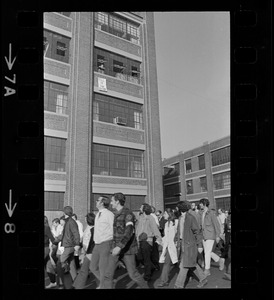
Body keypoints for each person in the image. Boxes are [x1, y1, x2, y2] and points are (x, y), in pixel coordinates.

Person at [104, 193, 148, 289]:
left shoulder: (128, 214)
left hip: (127, 250)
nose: (111, 203)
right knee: (107, 275)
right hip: (115, 249)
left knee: (133, 274)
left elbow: (129, 231)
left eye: (112, 201)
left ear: (117, 201)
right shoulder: (114, 214)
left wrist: (119, 246)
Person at [173, 201, 208, 289]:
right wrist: (176, 239)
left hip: (189, 245)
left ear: (181, 208)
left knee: (184, 266)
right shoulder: (181, 217)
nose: (176, 209)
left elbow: (197, 232)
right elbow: (179, 231)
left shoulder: (190, 218)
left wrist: (200, 245)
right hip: (182, 244)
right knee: (192, 264)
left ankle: (178, 286)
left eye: (177, 207)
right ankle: (203, 279)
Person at [90, 195, 114, 289]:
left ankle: (104, 286)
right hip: (97, 244)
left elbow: (113, 228)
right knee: (92, 267)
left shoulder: (109, 214)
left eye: (97, 200)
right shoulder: (98, 214)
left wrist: (112, 244)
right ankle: (106, 283)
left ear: (102, 203)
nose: (96, 202)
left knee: (102, 268)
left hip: (105, 243)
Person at [55, 206, 81, 289]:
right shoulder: (68, 222)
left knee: (60, 263)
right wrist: (55, 239)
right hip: (68, 245)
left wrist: (77, 244)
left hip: (69, 246)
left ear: (64, 213)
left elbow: (76, 233)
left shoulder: (71, 222)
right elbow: (64, 235)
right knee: (71, 264)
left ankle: (61, 284)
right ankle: (76, 283)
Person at [135, 203, 162, 281]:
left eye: (141, 207)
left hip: (147, 240)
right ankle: (152, 267)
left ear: (144, 209)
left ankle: (147, 275)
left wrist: (159, 238)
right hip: (140, 240)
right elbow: (137, 229)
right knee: (139, 257)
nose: (140, 208)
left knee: (146, 259)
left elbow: (155, 229)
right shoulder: (140, 217)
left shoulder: (150, 218)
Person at [199, 198, 225, 277]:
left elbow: (216, 225)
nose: (199, 205)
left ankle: (207, 270)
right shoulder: (201, 213)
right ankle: (220, 260)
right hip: (204, 236)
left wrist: (217, 236)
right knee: (208, 252)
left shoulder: (211, 213)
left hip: (210, 235)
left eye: (201, 203)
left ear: (204, 204)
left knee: (207, 252)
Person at [72, 212, 96, 289]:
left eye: (86, 219)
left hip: (89, 252)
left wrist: (85, 252)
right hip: (88, 251)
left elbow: (89, 242)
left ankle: (77, 286)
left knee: (85, 270)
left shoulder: (92, 229)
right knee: (89, 269)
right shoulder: (89, 227)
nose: (85, 220)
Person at [157, 210, 179, 287]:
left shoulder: (176, 222)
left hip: (174, 245)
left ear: (169, 214)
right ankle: (164, 280)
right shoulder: (166, 224)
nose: (164, 215)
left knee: (179, 263)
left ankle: (164, 280)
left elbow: (178, 234)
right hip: (169, 246)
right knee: (167, 262)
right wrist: (160, 240)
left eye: (165, 213)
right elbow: (167, 236)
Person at [45, 216, 58, 288]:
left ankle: (53, 282)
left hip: (45, 248)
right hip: (47, 248)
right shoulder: (47, 228)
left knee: (49, 265)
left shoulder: (46, 228)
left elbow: (53, 239)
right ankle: (53, 282)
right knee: (49, 266)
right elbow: (53, 239)